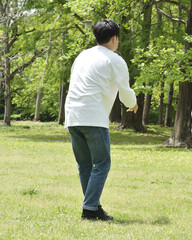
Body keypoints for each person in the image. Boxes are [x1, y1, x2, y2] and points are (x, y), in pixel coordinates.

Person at [64, 19, 138, 220]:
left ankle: (93, 207)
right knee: (102, 163)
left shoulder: (82, 55)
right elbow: (125, 91)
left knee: (85, 164)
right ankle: (89, 209)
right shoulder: (114, 59)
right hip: (93, 117)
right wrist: (133, 103)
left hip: (72, 115)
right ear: (114, 38)